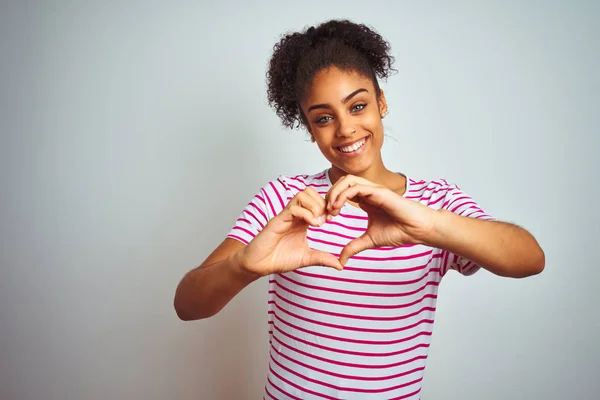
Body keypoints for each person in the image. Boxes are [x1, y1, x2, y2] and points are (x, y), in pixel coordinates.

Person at [174, 19, 545, 400]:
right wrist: (244, 265)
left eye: (358, 106)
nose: (346, 128)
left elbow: (530, 258)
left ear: (381, 102)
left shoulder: (436, 204)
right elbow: (187, 305)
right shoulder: (285, 200)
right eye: (323, 117)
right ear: (308, 127)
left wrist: (430, 226)